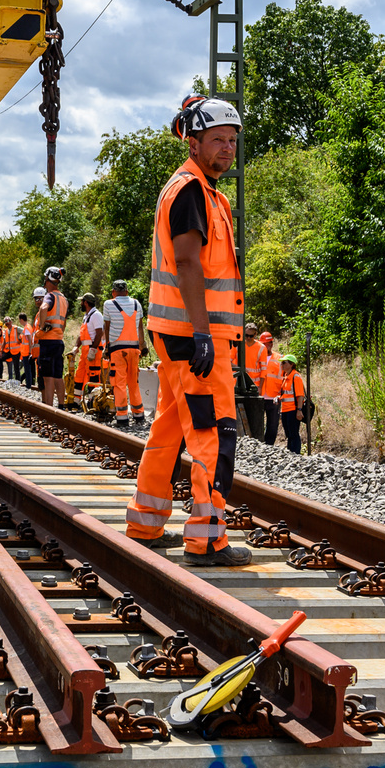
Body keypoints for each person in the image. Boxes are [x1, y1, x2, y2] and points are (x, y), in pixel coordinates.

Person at [124, 95, 250, 566]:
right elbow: (187, 262)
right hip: (197, 337)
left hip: (178, 333)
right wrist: (202, 332)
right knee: (212, 433)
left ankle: (145, 522)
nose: (227, 148)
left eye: (232, 140)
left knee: (170, 429)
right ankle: (207, 539)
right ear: (192, 142)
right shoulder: (191, 190)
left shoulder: (203, 190)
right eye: (217, 139)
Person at [101, 279, 146, 427]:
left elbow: (106, 328)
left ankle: (122, 417)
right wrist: (143, 345)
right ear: (126, 291)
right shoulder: (136, 304)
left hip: (117, 350)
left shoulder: (109, 304)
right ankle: (138, 414)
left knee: (118, 383)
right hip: (134, 349)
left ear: (113, 292)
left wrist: (107, 348)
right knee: (133, 381)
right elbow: (140, 327)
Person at [36, 267, 69, 406]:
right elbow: (64, 322)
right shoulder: (64, 299)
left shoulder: (50, 296)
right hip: (58, 341)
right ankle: (61, 406)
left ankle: (49, 408)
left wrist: (42, 327)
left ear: (47, 279)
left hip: (48, 341)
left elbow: (44, 308)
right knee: (57, 376)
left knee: (47, 377)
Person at [72, 293, 104, 407]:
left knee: (94, 376)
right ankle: (76, 401)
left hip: (92, 351)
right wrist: (76, 347)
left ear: (85, 302)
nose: (80, 304)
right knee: (79, 375)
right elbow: (81, 335)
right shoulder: (86, 316)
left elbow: (99, 333)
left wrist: (93, 350)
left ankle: (93, 402)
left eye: (81, 302)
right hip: (85, 351)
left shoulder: (96, 315)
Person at [277, 355, 307, 454]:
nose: (282, 365)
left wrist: (299, 410)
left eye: (284, 363)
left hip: (293, 410)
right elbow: (286, 394)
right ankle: (291, 454)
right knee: (289, 434)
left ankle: (296, 455)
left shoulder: (295, 377)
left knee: (293, 434)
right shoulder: (285, 377)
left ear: (291, 364)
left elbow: (300, 395)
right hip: (285, 410)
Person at [260, 336, 283, 445]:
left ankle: (269, 446)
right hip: (259, 396)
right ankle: (259, 446)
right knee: (258, 424)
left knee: (273, 425)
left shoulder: (279, 358)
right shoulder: (257, 356)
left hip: (274, 396)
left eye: (268, 343)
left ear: (271, 344)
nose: (266, 346)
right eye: (263, 343)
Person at [18, 310, 36, 387]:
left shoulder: (27, 328)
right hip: (26, 352)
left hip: (26, 352)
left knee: (27, 370)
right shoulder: (28, 326)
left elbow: (29, 339)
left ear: (21, 319)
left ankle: (28, 385)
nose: (19, 322)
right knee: (29, 370)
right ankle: (29, 384)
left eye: (19, 320)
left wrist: (29, 351)